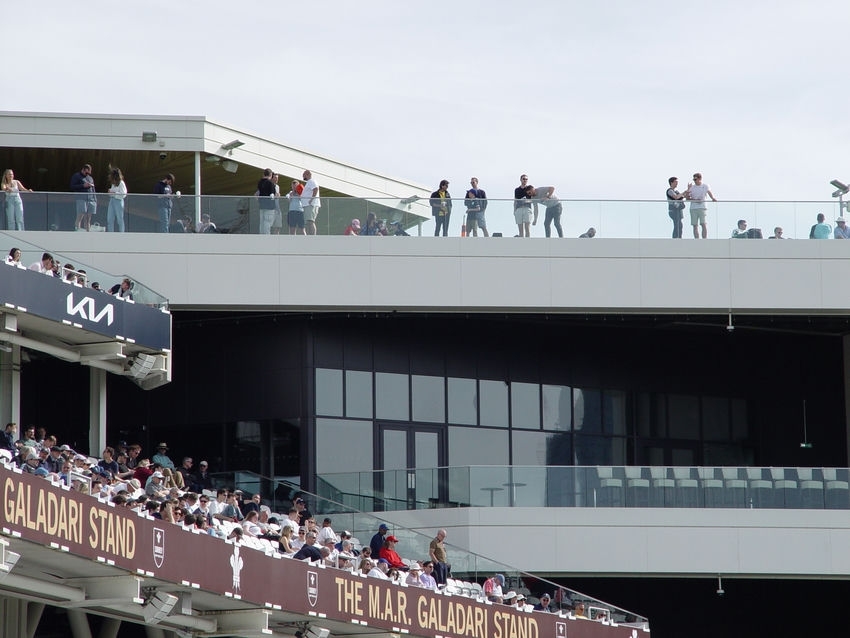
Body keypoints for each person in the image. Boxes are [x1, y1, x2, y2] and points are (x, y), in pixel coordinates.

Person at [684, 172, 717, 239]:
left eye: (695, 179)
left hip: (702, 207)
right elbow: (687, 198)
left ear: (700, 179)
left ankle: (704, 239)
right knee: (695, 225)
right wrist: (688, 190)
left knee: (703, 223)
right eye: (694, 179)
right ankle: (697, 239)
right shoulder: (692, 188)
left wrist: (713, 198)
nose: (694, 181)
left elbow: (709, 192)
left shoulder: (705, 186)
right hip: (693, 208)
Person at [70, 164, 96, 231]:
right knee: (80, 216)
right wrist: (83, 186)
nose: (87, 174)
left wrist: (95, 199)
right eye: (86, 172)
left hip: (91, 199)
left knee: (88, 219)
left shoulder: (90, 178)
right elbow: (72, 186)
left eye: (89, 173)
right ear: (84, 169)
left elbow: (93, 189)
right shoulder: (76, 176)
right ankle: (78, 231)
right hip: (81, 198)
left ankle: (87, 232)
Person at [106, 168, 127, 232]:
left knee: (119, 219)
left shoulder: (121, 183)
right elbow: (112, 192)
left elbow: (124, 194)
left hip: (118, 201)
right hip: (112, 201)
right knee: (110, 219)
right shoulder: (113, 183)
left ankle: (121, 233)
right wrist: (110, 191)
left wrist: (114, 193)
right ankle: (111, 233)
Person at [256, 168, 277, 234]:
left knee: (262, 223)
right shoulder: (270, 183)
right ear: (270, 174)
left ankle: (262, 236)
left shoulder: (260, 182)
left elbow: (258, 194)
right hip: (269, 206)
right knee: (268, 222)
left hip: (261, 206)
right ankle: (267, 237)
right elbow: (273, 195)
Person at [300, 170, 321, 235]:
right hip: (308, 205)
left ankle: (312, 237)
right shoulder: (309, 182)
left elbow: (315, 189)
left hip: (311, 205)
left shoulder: (311, 181)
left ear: (307, 174)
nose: (303, 176)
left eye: (304, 175)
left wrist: (311, 199)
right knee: (309, 222)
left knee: (310, 221)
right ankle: (311, 236)